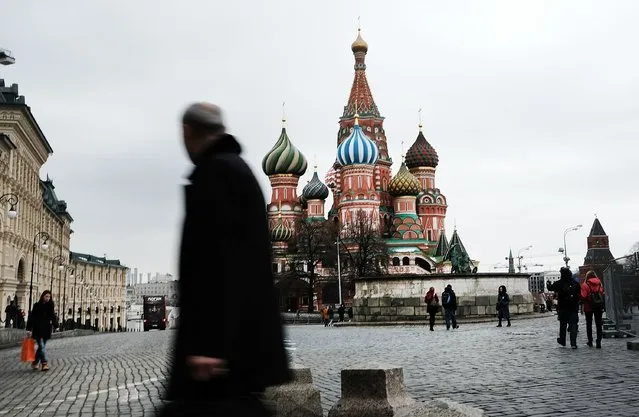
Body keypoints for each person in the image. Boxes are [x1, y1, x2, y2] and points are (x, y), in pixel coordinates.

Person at [160, 103, 291, 416]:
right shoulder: (239, 170)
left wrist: (208, 345)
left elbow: (219, 265)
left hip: (220, 355)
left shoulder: (216, 174)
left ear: (188, 132)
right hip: (242, 345)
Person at [547, 267, 581, 349]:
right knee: (573, 325)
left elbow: (550, 288)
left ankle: (562, 340)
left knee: (563, 325)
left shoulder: (559, 283)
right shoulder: (575, 283)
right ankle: (573, 343)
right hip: (573, 307)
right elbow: (579, 293)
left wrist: (548, 283)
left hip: (563, 307)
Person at [26, 290, 58, 372]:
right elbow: (32, 317)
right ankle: (44, 363)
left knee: (41, 347)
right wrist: (29, 329)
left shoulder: (50, 306)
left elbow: (53, 316)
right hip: (37, 329)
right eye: (46, 296)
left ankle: (35, 362)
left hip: (46, 329)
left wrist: (56, 325)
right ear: (42, 296)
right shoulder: (36, 305)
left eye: (49, 297)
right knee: (41, 346)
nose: (48, 298)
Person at [580, 270, 605, 348]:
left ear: (587, 276)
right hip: (598, 306)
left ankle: (590, 341)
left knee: (589, 324)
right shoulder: (599, 283)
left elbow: (583, 296)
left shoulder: (585, 285)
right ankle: (598, 342)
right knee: (598, 324)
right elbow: (602, 292)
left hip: (588, 306)